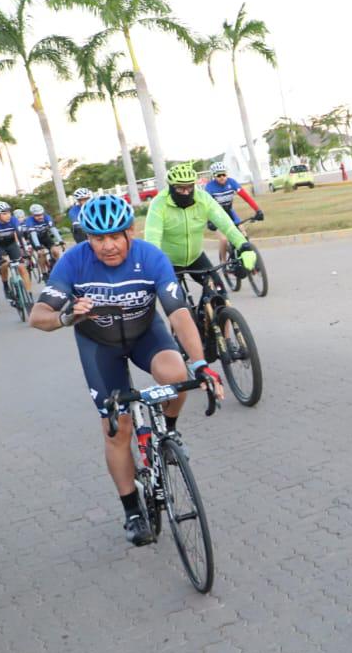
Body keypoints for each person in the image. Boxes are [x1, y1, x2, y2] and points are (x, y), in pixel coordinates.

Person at [29, 195, 222, 546]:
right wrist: (67, 316)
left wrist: (201, 364)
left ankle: (170, 432)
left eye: (115, 236)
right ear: (86, 238)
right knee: (117, 429)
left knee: (177, 376)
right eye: (98, 238)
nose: (108, 246)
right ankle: (132, 510)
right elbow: (37, 316)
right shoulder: (73, 263)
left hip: (145, 334)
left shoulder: (149, 257)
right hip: (99, 346)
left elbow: (178, 312)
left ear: (129, 231)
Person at [144, 163, 256, 289]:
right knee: (177, 305)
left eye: (190, 187)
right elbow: (152, 237)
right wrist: (154, 262)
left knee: (219, 290)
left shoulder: (203, 198)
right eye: (180, 188)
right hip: (170, 263)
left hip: (196, 258)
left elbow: (226, 224)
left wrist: (243, 246)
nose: (186, 192)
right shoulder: (159, 204)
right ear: (170, 187)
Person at [201, 162, 265, 263]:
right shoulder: (210, 187)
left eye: (224, 174)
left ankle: (244, 256)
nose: (222, 177)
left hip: (229, 211)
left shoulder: (232, 183)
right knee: (224, 239)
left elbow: (246, 197)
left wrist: (258, 210)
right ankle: (223, 262)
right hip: (216, 215)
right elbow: (205, 206)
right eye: (218, 175)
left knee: (243, 234)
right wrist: (209, 220)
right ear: (214, 176)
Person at [0, 201, 34, 307]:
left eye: (9, 212)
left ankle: (29, 296)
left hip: (11, 244)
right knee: (4, 264)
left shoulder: (13, 220)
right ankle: (5, 286)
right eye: (4, 213)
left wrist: (25, 250)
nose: (8, 215)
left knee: (22, 267)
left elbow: (19, 236)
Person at [23, 202, 64, 269]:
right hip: (34, 238)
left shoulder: (47, 217)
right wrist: (38, 247)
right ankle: (44, 272)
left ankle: (58, 269)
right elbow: (33, 234)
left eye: (41, 214)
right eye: (37, 215)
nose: (40, 217)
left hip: (44, 236)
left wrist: (60, 240)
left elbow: (53, 229)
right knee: (41, 254)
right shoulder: (29, 220)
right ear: (32, 215)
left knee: (55, 251)